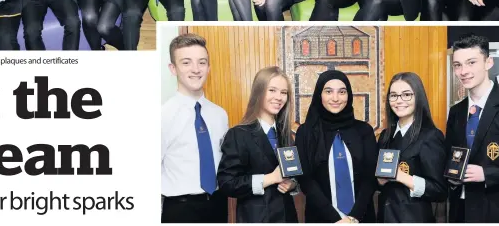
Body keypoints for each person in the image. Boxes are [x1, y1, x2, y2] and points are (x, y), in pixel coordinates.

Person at [445, 33, 499, 223]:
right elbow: (451, 156)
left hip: (498, 211)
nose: (463, 71)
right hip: (460, 211)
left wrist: (486, 174)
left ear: (488, 62)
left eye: (471, 62)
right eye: (458, 65)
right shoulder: (456, 111)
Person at [161, 33, 229, 223]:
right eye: (186, 63)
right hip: (180, 210)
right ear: (173, 69)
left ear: (209, 67)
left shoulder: (220, 114)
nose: (196, 69)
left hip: (218, 205)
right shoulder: (162, 116)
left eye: (202, 62)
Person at [217, 66, 299, 223]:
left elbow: (293, 174)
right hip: (256, 218)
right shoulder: (238, 134)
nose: (279, 97)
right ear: (259, 92)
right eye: (272, 90)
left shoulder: (287, 135)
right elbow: (227, 183)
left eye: (283, 92)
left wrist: (292, 184)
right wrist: (270, 178)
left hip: (288, 217)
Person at [295, 70, 378, 223]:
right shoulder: (305, 132)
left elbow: (370, 178)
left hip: (361, 218)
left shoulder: (364, 130)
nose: (335, 98)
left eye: (342, 92)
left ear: (349, 95)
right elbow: (306, 180)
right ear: (319, 95)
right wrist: (337, 219)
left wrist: (353, 217)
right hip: (322, 218)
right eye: (328, 91)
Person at [376, 72, 447, 222]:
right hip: (385, 217)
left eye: (406, 94)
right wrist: (379, 181)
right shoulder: (385, 136)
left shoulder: (431, 136)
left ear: (418, 97)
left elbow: (440, 190)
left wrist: (403, 177)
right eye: (393, 95)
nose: (399, 101)